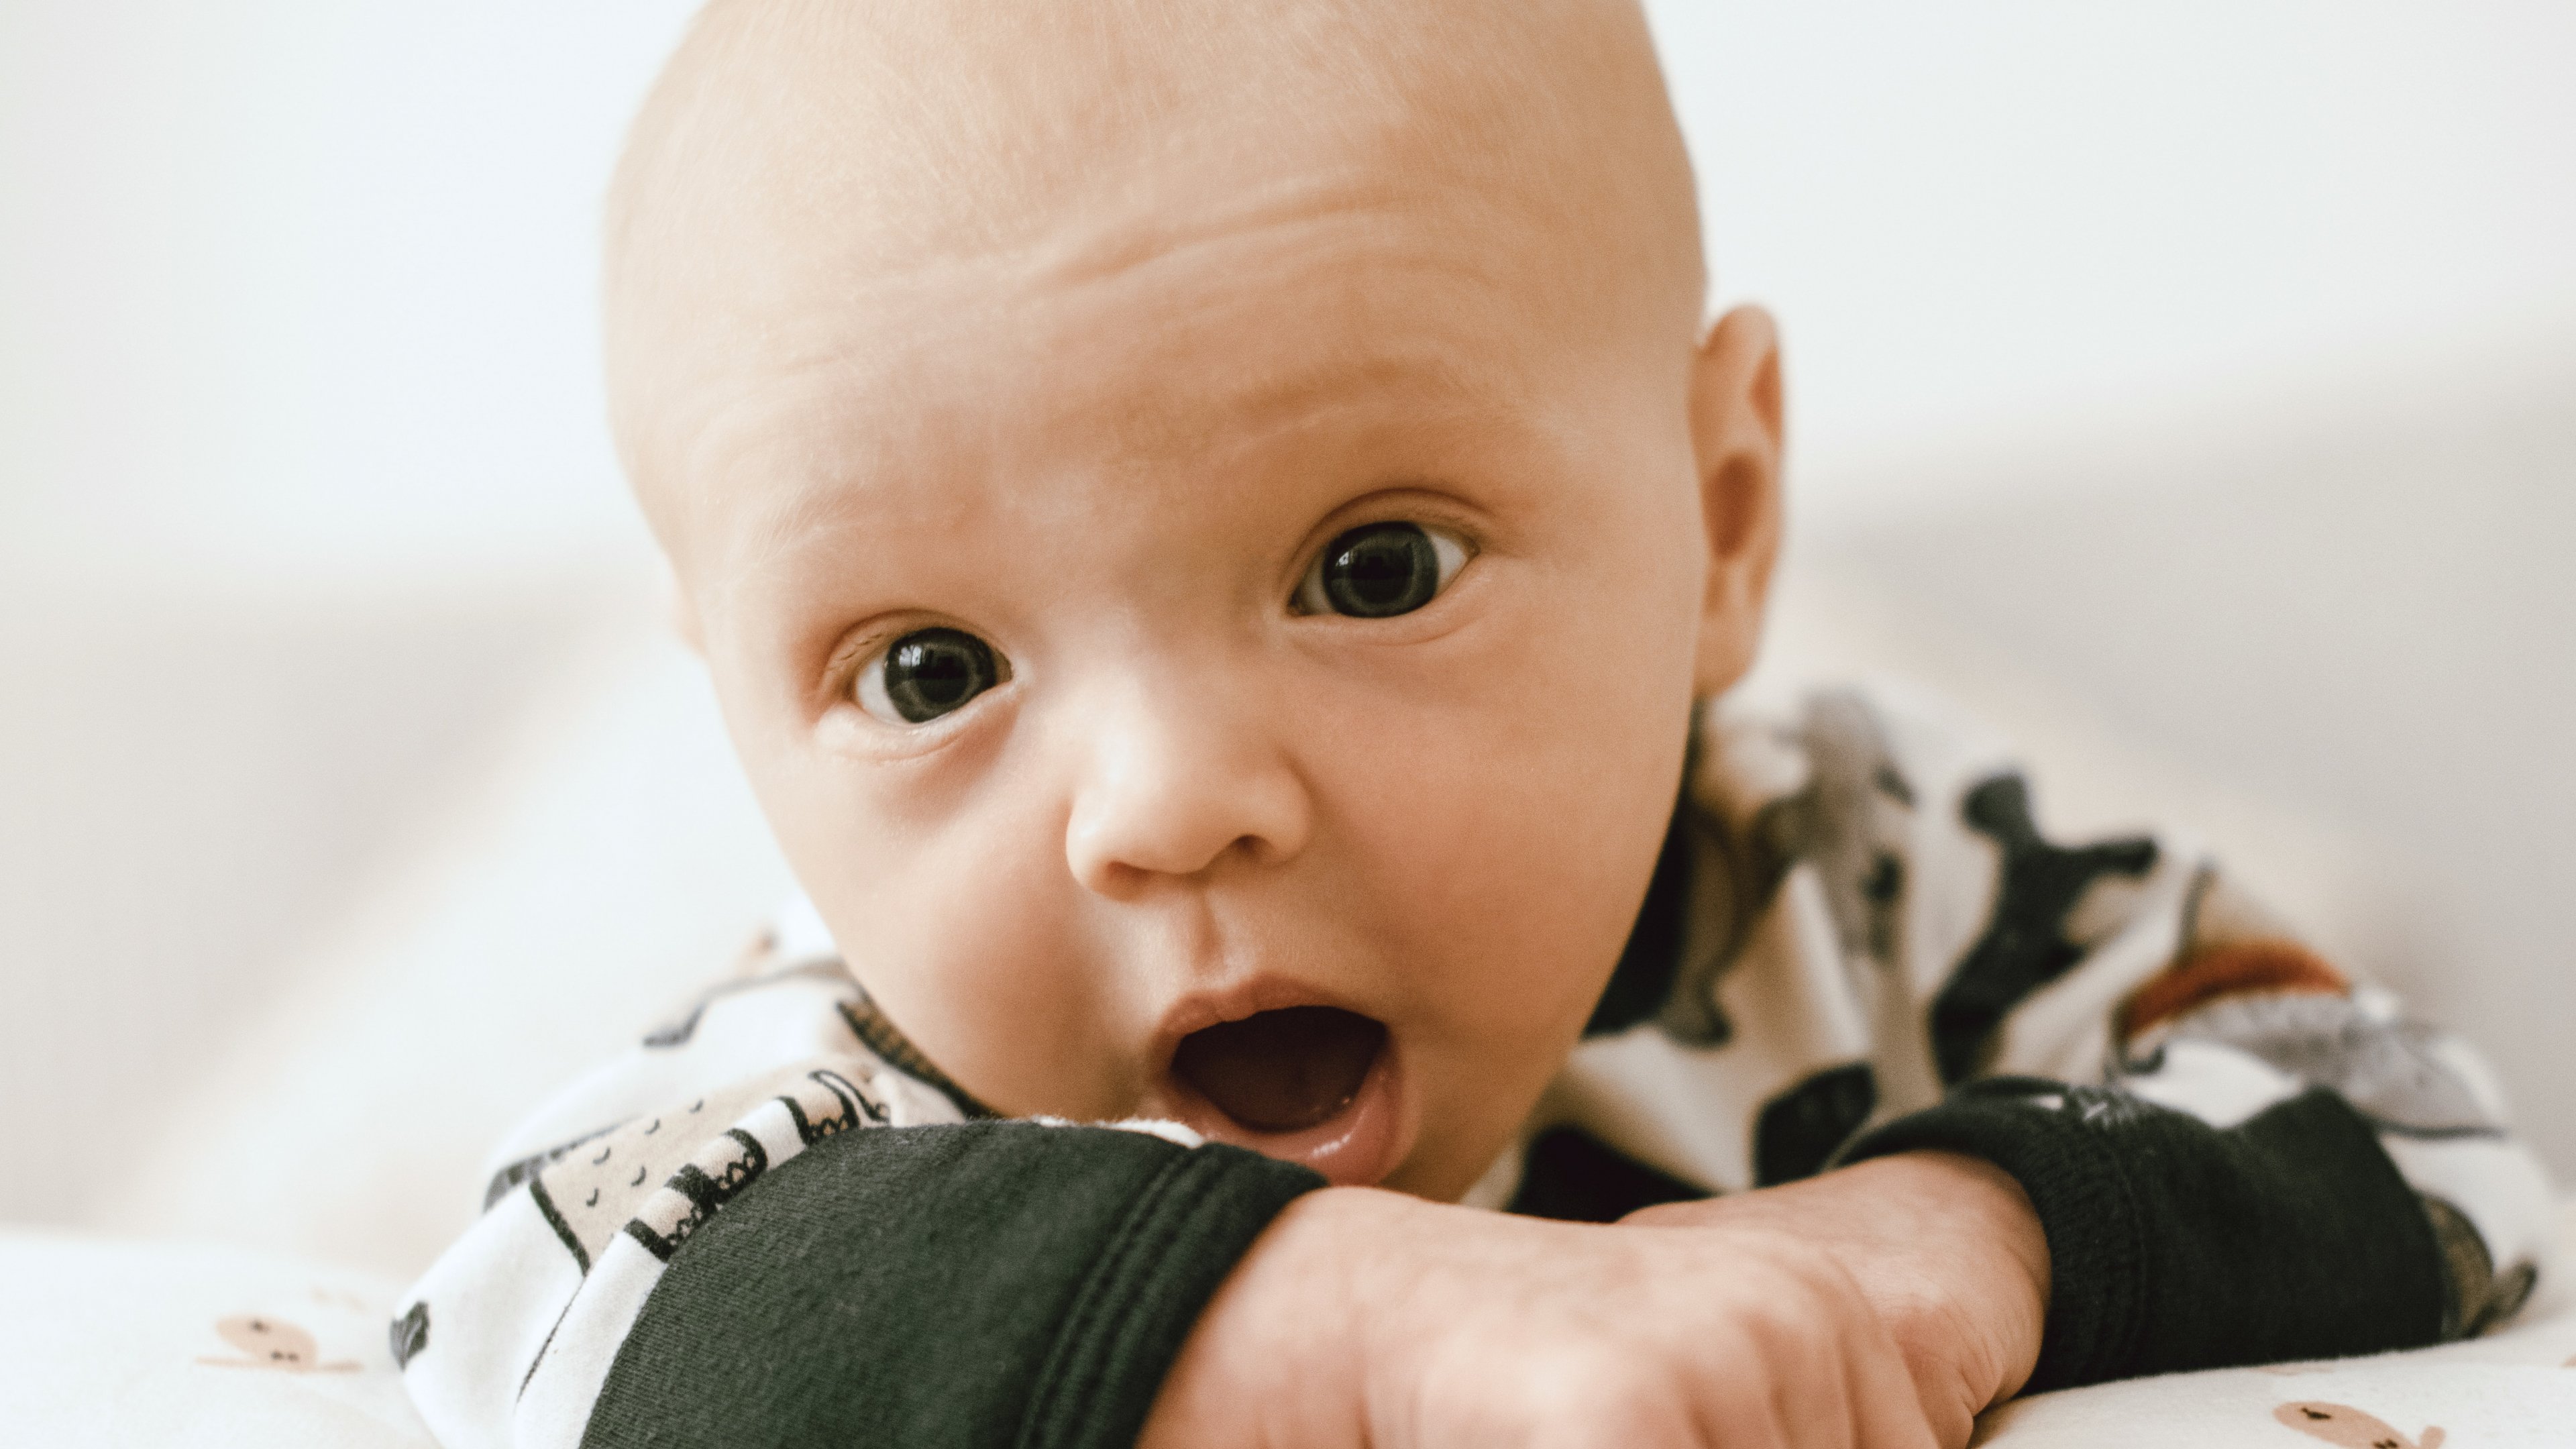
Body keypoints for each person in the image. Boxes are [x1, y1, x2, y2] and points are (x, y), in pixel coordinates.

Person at [392, 2, 2556, 1445]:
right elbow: (519, 1318)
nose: (1168, 807)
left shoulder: (1869, 876)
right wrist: (1360, 1321)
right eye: (930, 674)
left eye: (1374, 569)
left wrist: (1953, 1239)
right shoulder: (842, 1097)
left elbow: (2417, 1130)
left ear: (1721, 521)